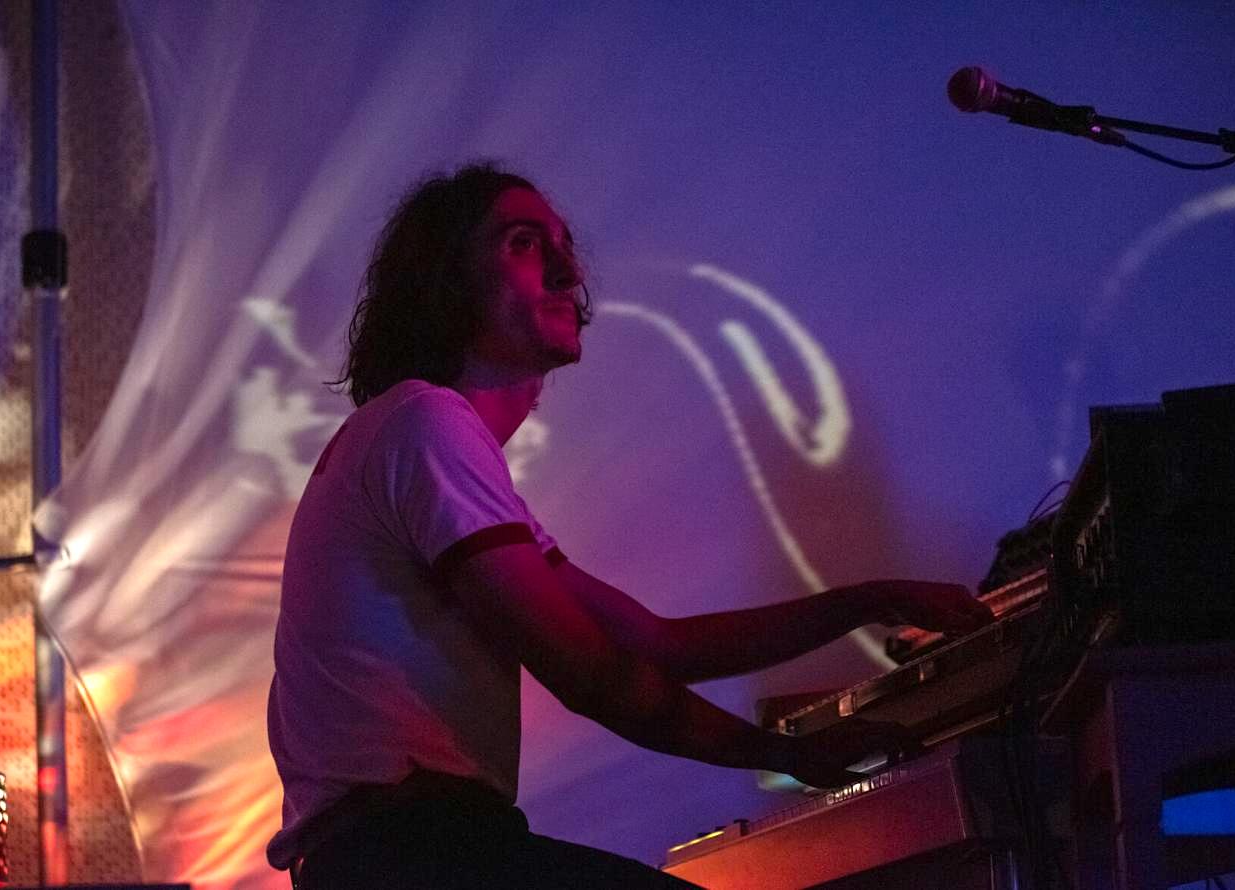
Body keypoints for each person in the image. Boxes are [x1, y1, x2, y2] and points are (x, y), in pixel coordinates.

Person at [266, 163, 994, 888]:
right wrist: (787, 755)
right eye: (523, 243)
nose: (568, 270)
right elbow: (593, 675)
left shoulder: (429, 444)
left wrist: (869, 602)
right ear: (445, 281)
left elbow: (654, 643)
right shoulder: (427, 425)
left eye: (563, 244)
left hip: (410, 853)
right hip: (411, 857)